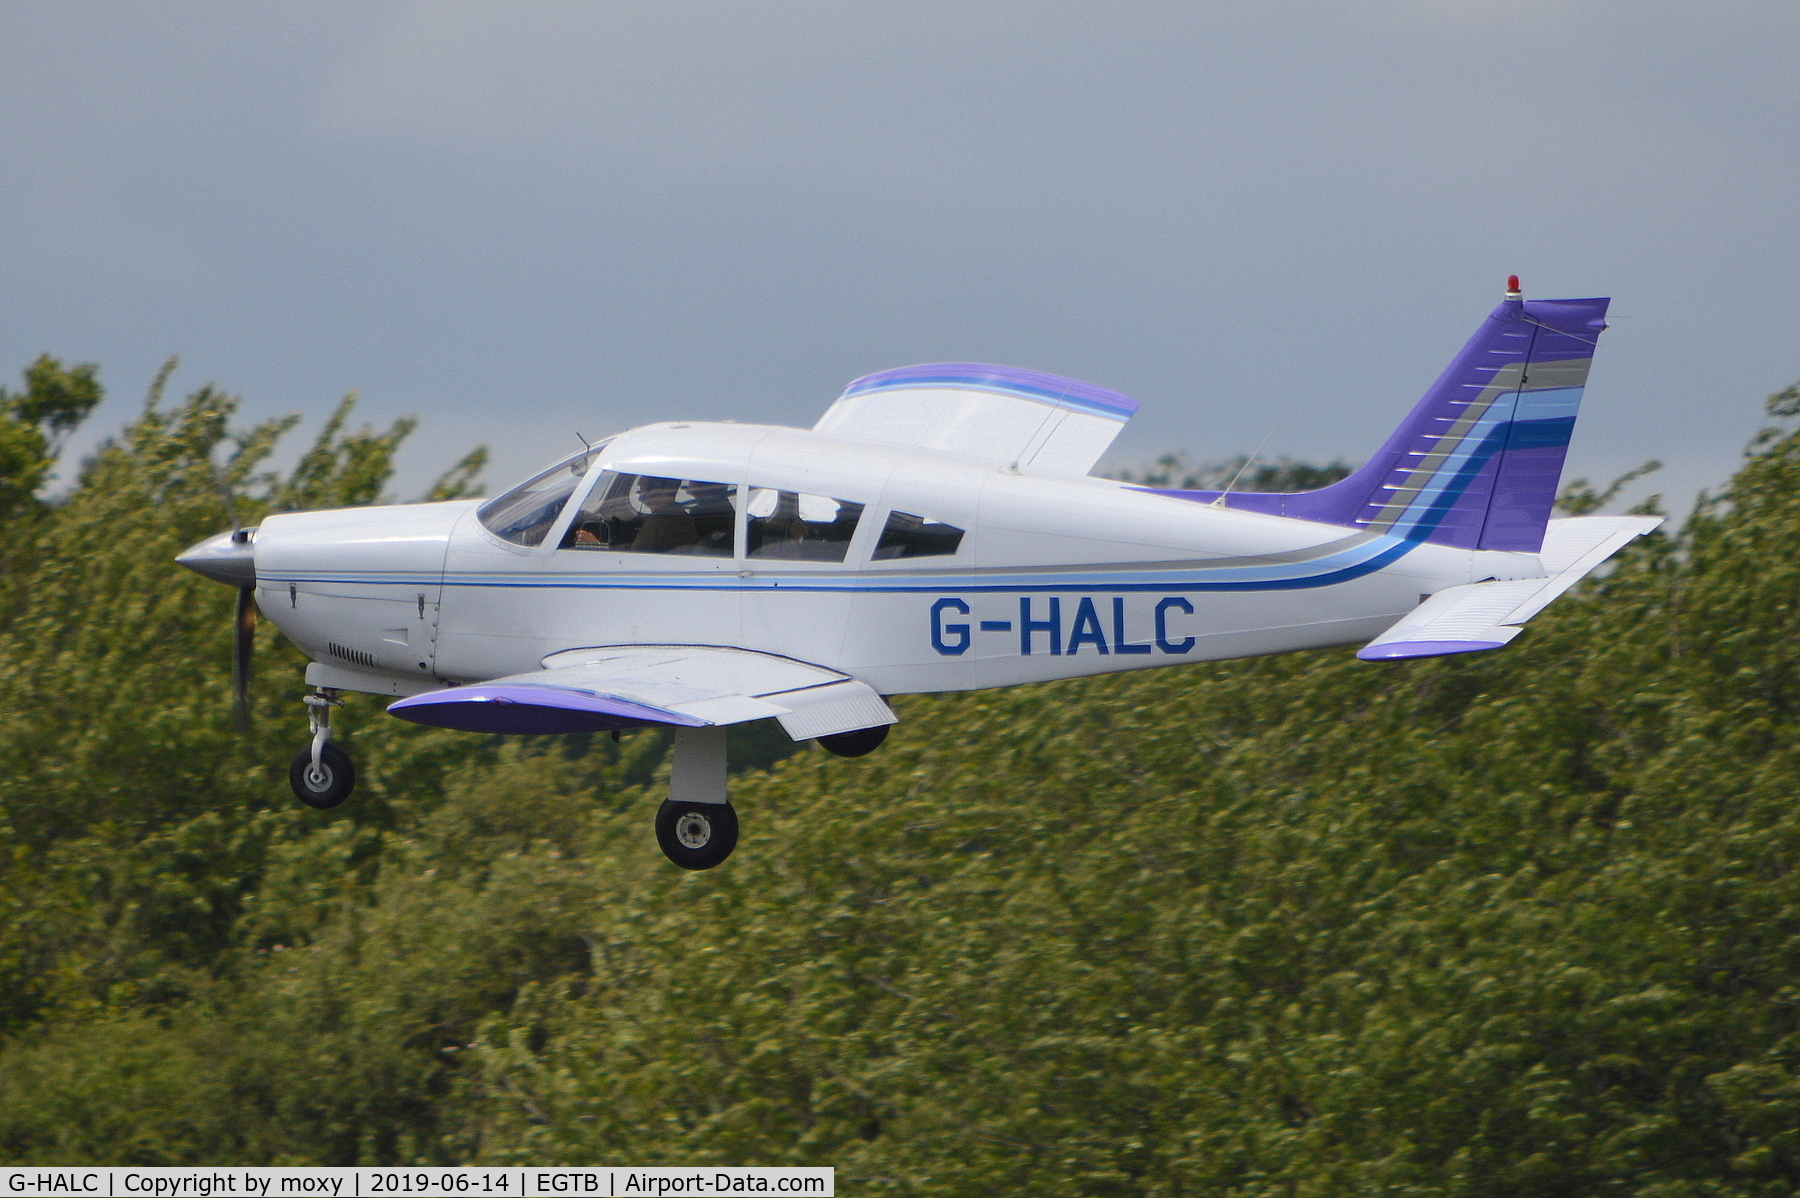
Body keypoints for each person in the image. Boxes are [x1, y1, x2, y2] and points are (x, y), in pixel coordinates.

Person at [631, 477, 698, 552]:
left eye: (645, 477)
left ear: (658, 488)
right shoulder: (682, 516)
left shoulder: (658, 522)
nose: (639, 483)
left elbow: (639, 553)